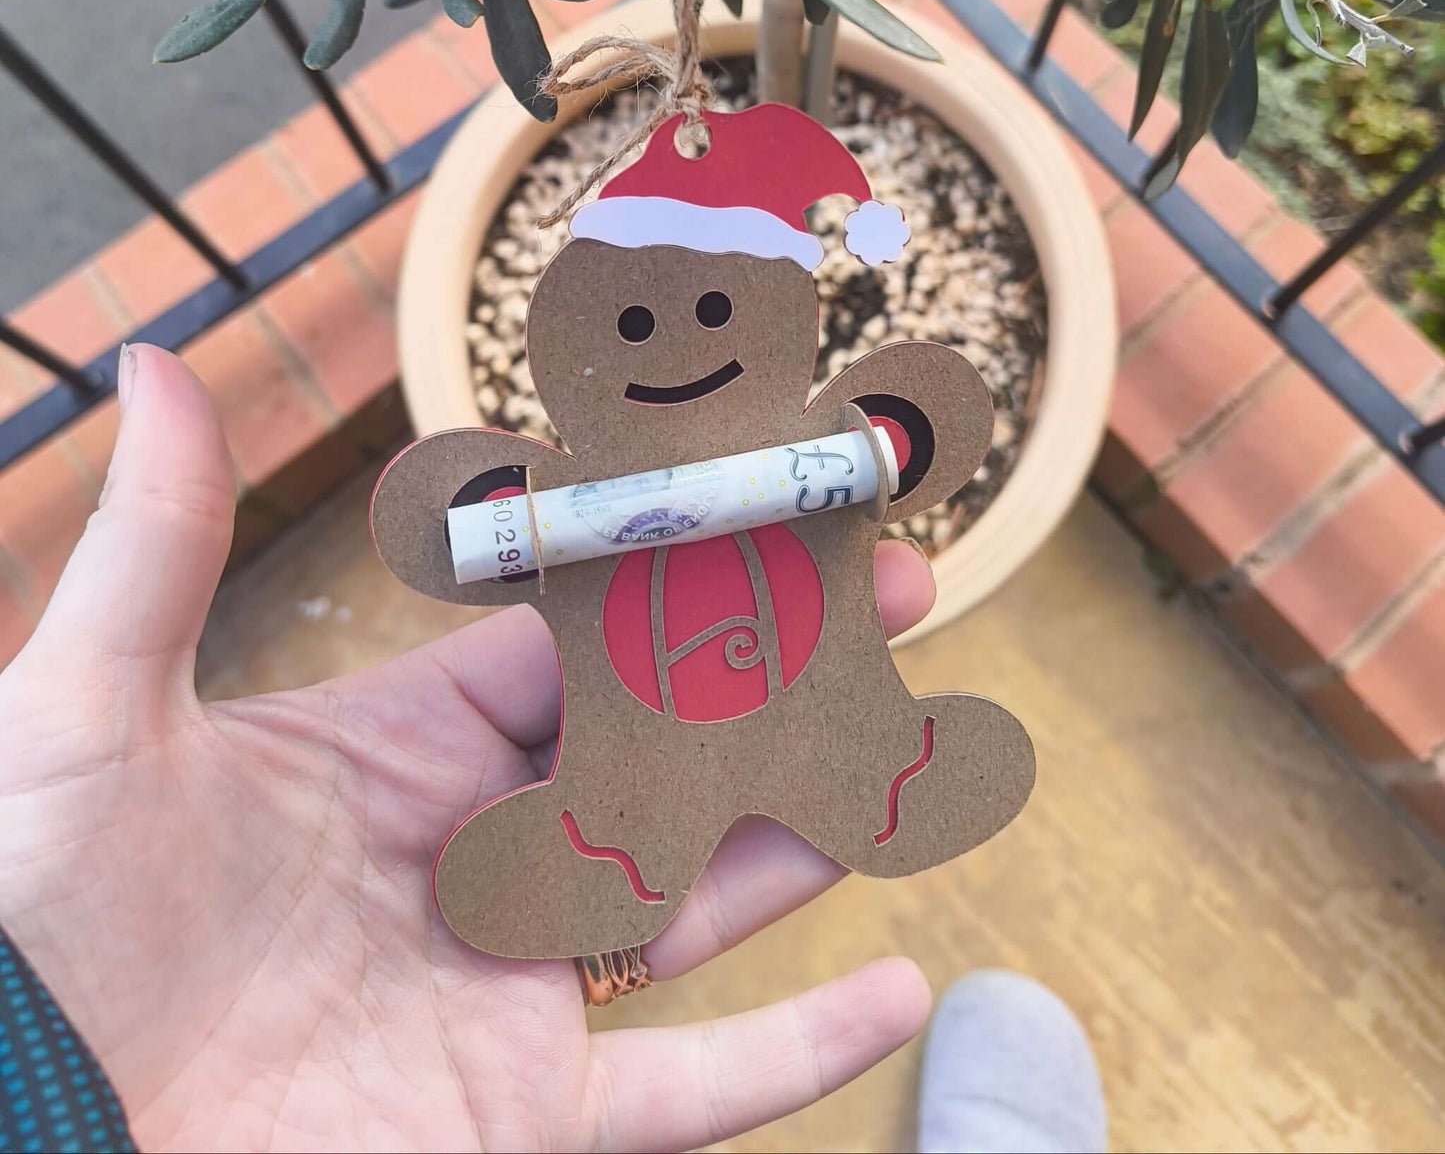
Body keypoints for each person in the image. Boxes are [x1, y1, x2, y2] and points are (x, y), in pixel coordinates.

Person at [0, 344, 1104, 1152]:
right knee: (634, 803)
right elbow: (446, 530)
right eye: (622, 329)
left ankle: (876, 770)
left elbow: (916, 423)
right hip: (636, 738)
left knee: (838, 729)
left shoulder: (810, 443)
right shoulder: (555, 501)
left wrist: (892, 426)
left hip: (810, 677)